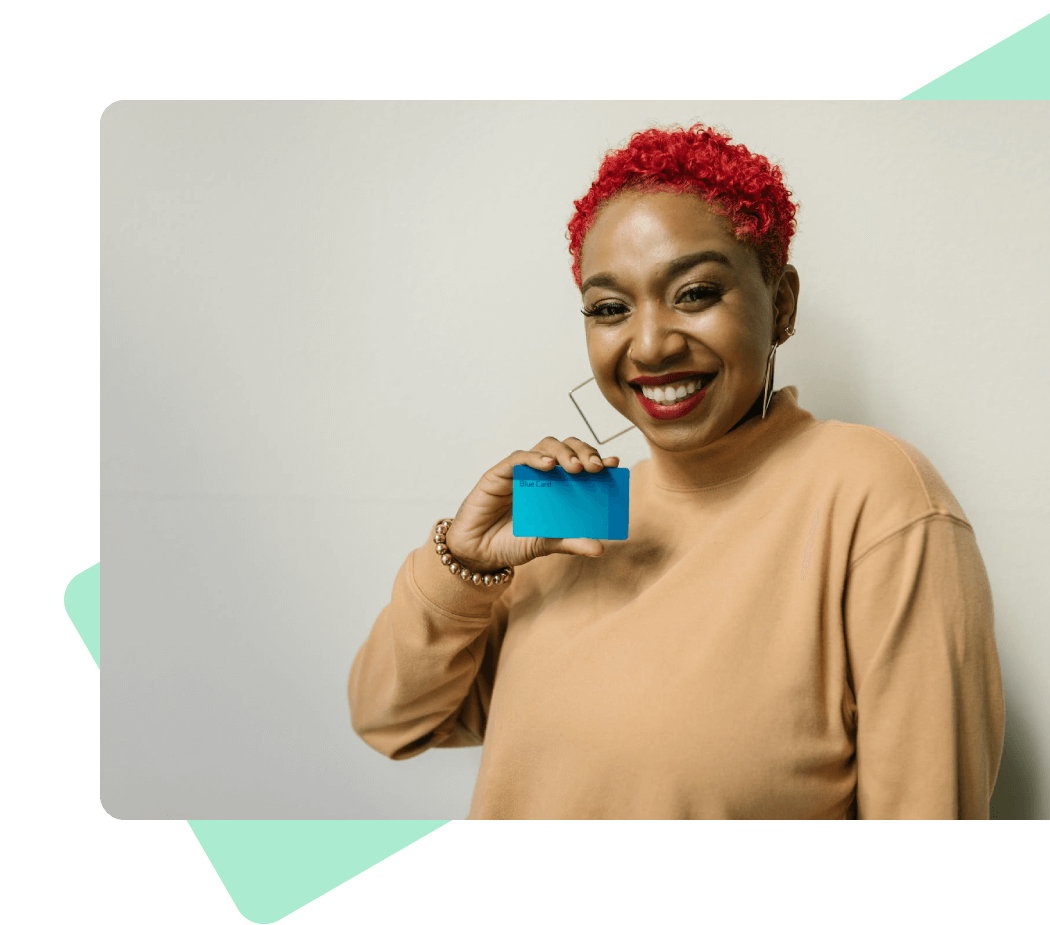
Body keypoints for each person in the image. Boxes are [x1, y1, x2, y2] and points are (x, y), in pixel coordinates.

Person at [348, 123, 1005, 819]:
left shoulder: (875, 497)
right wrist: (462, 567)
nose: (652, 343)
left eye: (694, 293)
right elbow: (390, 719)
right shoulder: (578, 507)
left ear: (780, 303)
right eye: (609, 308)